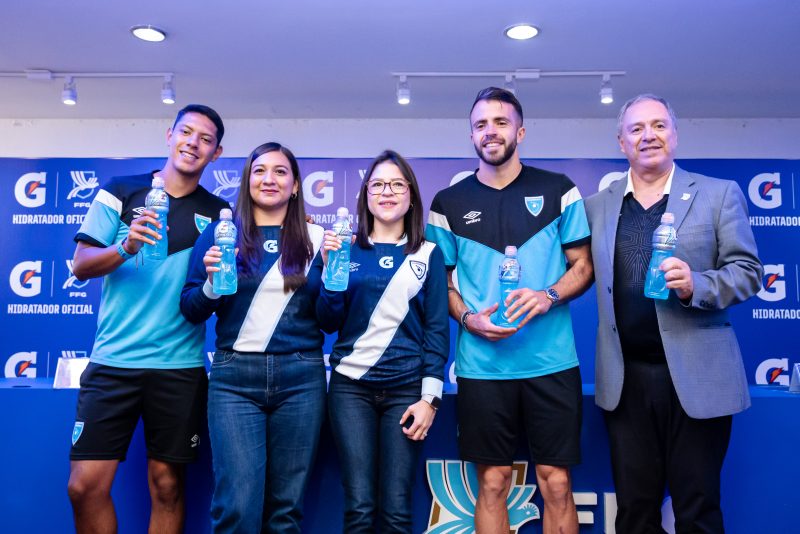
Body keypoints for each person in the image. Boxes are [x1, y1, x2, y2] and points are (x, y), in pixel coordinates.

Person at [584, 94, 762, 533]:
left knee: (698, 510)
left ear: (675, 135)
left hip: (698, 379)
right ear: (621, 142)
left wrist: (696, 284)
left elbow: (748, 271)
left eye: (659, 125)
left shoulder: (718, 194)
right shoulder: (595, 206)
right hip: (625, 382)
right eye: (637, 129)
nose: (649, 136)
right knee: (634, 512)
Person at [425, 87, 593, 534]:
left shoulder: (559, 189)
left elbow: (583, 266)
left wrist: (548, 295)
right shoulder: (447, 203)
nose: (490, 131)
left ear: (520, 131)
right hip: (483, 368)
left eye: (501, 122)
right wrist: (469, 319)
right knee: (493, 482)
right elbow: (440, 284)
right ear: (471, 135)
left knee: (556, 483)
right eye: (480, 124)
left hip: (552, 363)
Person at [67, 104, 228, 533]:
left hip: (178, 367)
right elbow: (80, 265)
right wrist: (126, 247)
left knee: (167, 486)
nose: (193, 143)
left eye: (205, 139)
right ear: (169, 135)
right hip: (113, 362)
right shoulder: (121, 190)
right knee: (84, 487)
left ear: (216, 153)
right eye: (186, 132)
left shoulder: (220, 213)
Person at [180, 142, 325, 533]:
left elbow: (332, 319)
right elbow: (191, 308)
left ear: (296, 185)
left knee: (285, 511)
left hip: (302, 379)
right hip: (234, 379)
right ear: (246, 180)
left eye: (280, 171)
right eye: (259, 171)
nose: (269, 179)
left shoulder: (317, 238)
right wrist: (211, 285)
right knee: (237, 508)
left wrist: (335, 283)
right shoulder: (220, 234)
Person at [317, 150, 449, 533]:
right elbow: (327, 321)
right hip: (350, 389)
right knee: (359, 507)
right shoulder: (345, 248)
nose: (386, 192)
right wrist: (329, 272)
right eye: (377, 184)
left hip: (406, 391)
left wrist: (429, 400)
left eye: (396, 184)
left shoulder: (428, 253)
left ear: (411, 195)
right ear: (365, 195)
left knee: (396, 509)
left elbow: (437, 330)